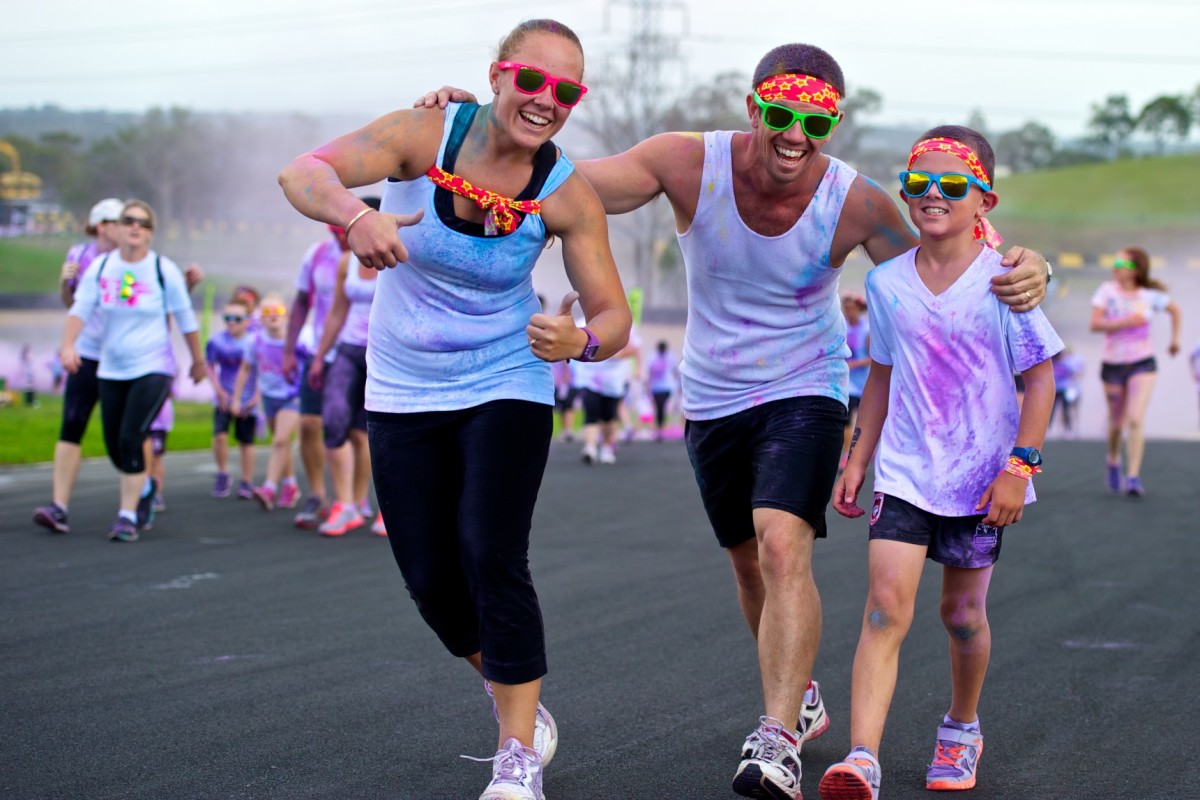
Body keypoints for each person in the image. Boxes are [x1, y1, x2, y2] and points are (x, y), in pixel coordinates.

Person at [421, 42, 1051, 799]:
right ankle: (801, 695)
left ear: (832, 126)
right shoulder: (687, 163)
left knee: (785, 545)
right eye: (781, 114)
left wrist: (1030, 264)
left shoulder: (855, 201)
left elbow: (945, 249)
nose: (794, 135)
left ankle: (777, 737)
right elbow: (566, 184)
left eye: (814, 123)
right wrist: (479, 130)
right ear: (755, 108)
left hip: (807, 387)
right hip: (713, 395)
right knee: (749, 564)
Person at [279, 18, 632, 800]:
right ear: (499, 74)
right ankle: (513, 691)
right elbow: (302, 173)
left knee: (490, 550)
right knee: (433, 585)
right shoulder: (422, 134)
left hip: (508, 377)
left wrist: (579, 341)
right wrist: (355, 214)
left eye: (567, 90)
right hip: (403, 385)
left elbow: (613, 316)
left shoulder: (565, 191)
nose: (547, 101)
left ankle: (516, 756)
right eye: (532, 80)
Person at [821, 126, 1062, 800]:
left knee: (962, 616)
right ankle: (861, 757)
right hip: (904, 471)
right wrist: (856, 455)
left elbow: (1039, 381)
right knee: (883, 610)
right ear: (905, 193)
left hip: (981, 476)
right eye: (919, 184)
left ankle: (961, 728)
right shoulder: (887, 283)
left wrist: (1020, 468)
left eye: (952, 185)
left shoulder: (1005, 281)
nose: (933, 195)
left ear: (983, 198)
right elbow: (881, 374)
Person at [34, 198, 203, 534]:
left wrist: (198, 361)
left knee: (131, 436)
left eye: (142, 222)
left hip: (153, 366)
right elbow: (80, 308)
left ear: (151, 232)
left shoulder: (162, 268)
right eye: (128, 220)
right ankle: (143, 488)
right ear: (115, 228)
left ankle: (127, 517)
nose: (134, 226)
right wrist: (68, 345)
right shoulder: (99, 267)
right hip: (109, 366)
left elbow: (183, 315)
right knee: (114, 444)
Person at [309, 196, 384, 537]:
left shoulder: (395, 258)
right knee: (335, 421)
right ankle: (346, 505)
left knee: (372, 433)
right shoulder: (345, 262)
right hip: (349, 350)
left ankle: (384, 509)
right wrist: (319, 356)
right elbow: (337, 311)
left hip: (385, 355)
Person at [1089, 247, 1181, 496]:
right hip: (1113, 364)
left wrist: (1175, 341)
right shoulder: (1106, 292)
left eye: (1123, 264)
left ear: (1137, 270)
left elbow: (1175, 310)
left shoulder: (1149, 295)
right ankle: (1113, 459)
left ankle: (1133, 476)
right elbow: (1094, 324)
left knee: (1135, 419)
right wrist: (1123, 322)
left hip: (1142, 362)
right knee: (1117, 423)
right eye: (1115, 262)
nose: (1117, 267)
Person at [281, 222, 346, 529]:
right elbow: (300, 302)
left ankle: (352, 499)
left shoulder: (374, 252)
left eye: (341, 230)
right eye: (333, 230)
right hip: (320, 352)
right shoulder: (317, 255)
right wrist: (289, 351)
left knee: (355, 432)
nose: (337, 235)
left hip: (360, 353)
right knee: (309, 423)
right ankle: (318, 494)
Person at [232, 295, 301, 512]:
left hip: (293, 396)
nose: (272, 317)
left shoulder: (298, 338)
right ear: (259, 318)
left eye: (277, 312)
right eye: (266, 313)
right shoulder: (256, 341)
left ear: (286, 315)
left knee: (280, 441)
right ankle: (290, 485)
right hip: (270, 397)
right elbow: (245, 369)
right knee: (282, 444)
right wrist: (237, 398)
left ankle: (269, 488)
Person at [206, 297, 259, 499]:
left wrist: (256, 396)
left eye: (237, 318)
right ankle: (222, 474)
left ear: (247, 320)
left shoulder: (253, 341)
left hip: (248, 399)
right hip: (224, 397)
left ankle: (246, 480)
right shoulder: (216, 341)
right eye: (227, 317)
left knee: (246, 441)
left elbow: (263, 369)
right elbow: (209, 365)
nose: (231, 322)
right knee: (220, 435)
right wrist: (218, 390)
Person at [840, 292, 870, 469]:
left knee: (862, 422)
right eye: (846, 308)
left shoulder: (867, 331)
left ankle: (862, 451)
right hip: (846, 384)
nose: (848, 311)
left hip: (863, 384)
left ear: (859, 309)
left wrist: (856, 363)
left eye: (852, 308)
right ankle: (847, 455)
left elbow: (875, 358)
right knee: (847, 422)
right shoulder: (842, 327)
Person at [646, 339, 679, 441]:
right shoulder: (652, 357)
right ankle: (659, 429)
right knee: (659, 409)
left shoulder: (670, 357)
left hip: (666, 387)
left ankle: (660, 429)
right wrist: (648, 387)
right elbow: (650, 373)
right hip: (656, 388)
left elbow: (675, 371)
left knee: (661, 408)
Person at [1049, 347, 1085, 437]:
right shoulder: (1052, 364)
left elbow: (1074, 373)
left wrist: (1071, 382)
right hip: (1055, 390)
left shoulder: (1066, 363)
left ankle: (1068, 430)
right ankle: (1048, 429)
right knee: (1051, 411)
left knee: (1066, 410)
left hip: (1065, 389)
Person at [147, 394, 172, 513]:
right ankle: (144, 493)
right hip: (138, 419)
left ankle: (156, 494)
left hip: (158, 422)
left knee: (155, 458)